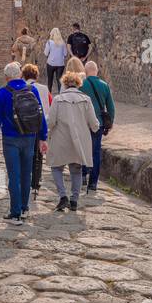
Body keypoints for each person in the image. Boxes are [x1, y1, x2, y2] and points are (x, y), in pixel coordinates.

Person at [0, 62, 47, 225]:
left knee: (14, 175)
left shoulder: (2, 93)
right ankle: (24, 208)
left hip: (10, 138)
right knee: (26, 174)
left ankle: (15, 213)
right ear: (20, 75)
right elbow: (40, 114)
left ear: (7, 77)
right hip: (30, 137)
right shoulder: (33, 90)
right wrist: (43, 137)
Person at [45, 65, 99, 212]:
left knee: (56, 167)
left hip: (61, 139)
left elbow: (51, 122)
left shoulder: (58, 99)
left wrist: (46, 131)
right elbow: (94, 123)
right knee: (76, 170)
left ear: (64, 83)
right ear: (78, 84)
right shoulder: (86, 100)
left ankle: (63, 196)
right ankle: (74, 200)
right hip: (79, 140)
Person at [81, 61, 115, 194]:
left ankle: (83, 175)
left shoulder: (81, 85)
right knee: (95, 152)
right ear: (97, 71)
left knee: (83, 149)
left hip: (84, 123)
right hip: (99, 123)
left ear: (85, 71)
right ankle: (93, 183)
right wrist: (110, 122)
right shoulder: (104, 86)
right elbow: (110, 107)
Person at [22, 63, 53, 195]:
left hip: (26, 126)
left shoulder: (23, 87)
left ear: (23, 75)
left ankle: (25, 180)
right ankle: (36, 181)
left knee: (26, 154)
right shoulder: (44, 88)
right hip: (41, 124)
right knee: (38, 155)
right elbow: (50, 104)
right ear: (36, 75)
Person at [44, 27, 68, 94]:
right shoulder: (63, 43)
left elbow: (46, 53)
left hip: (50, 63)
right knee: (59, 80)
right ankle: (61, 94)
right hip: (60, 64)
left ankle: (49, 95)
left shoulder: (49, 42)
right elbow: (65, 54)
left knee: (50, 80)